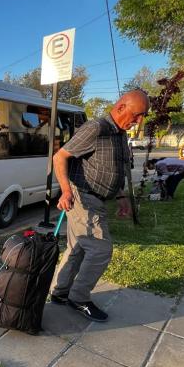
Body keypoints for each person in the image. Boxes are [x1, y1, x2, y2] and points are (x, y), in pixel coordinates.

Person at [50, 89, 150, 322]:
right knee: (101, 250)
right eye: (137, 115)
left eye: (143, 116)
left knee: (77, 247)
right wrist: (65, 190)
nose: (139, 121)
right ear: (121, 107)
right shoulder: (96, 128)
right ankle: (78, 298)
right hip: (83, 197)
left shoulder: (120, 133)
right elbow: (59, 157)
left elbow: (116, 169)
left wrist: (121, 196)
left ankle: (60, 292)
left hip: (98, 198)